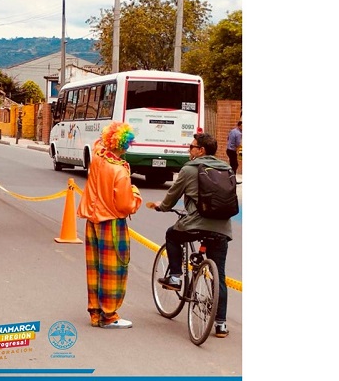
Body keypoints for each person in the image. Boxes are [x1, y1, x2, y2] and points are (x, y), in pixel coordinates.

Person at [145, 132, 233, 338]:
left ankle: (175, 276)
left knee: (172, 235)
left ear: (201, 150)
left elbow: (171, 197)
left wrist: (161, 207)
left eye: (191, 147)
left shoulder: (189, 169)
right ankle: (221, 324)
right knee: (219, 274)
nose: (189, 150)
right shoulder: (227, 168)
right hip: (222, 228)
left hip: (195, 223)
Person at [76, 122, 142, 329]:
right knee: (113, 270)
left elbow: (97, 143)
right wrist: (136, 195)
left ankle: (95, 312)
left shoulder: (97, 157)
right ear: (124, 145)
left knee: (94, 268)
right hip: (111, 222)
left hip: (92, 220)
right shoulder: (119, 172)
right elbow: (125, 205)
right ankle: (110, 315)